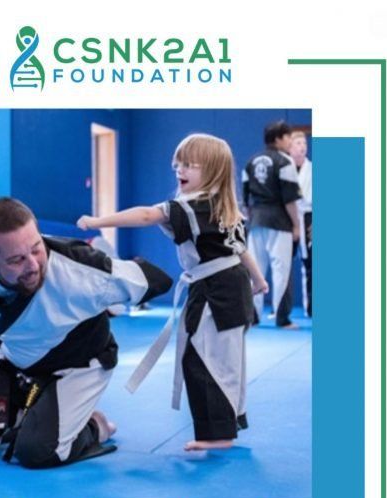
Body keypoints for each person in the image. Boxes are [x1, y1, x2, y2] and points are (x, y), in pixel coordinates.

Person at [0, 197, 173, 469]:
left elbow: (157, 280)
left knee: (37, 451)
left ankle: (94, 424)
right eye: (17, 259)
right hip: (19, 362)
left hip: (79, 363)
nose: (32, 265)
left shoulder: (80, 270)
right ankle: (28, 411)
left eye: (36, 248)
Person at [77, 134, 268, 451]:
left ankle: (219, 433)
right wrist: (259, 280)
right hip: (223, 290)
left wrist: (99, 220)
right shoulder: (219, 207)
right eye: (177, 164)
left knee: (209, 363)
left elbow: (146, 215)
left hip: (217, 293)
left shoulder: (196, 206)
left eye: (190, 165)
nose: (180, 170)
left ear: (213, 170)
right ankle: (221, 427)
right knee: (216, 361)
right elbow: (242, 251)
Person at [242, 120, 301, 328]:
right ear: (278, 139)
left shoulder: (250, 162)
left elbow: (246, 199)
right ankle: (282, 318)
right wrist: (296, 225)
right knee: (281, 270)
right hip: (279, 221)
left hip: (256, 220)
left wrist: (252, 217)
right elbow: (290, 200)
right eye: (288, 138)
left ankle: (253, 316)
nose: (290, 142)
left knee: (255, 269)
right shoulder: (285, 162)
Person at [289, 131, 313, 317]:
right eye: (297, 142)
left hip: (308, 219)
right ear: (290, 147)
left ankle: (311, 307)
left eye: (304, 142)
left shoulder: (313, 169)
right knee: (282, 265)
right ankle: (280, 310)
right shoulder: (284, 169)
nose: (302, 146)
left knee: (310, 263)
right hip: (287, 218)